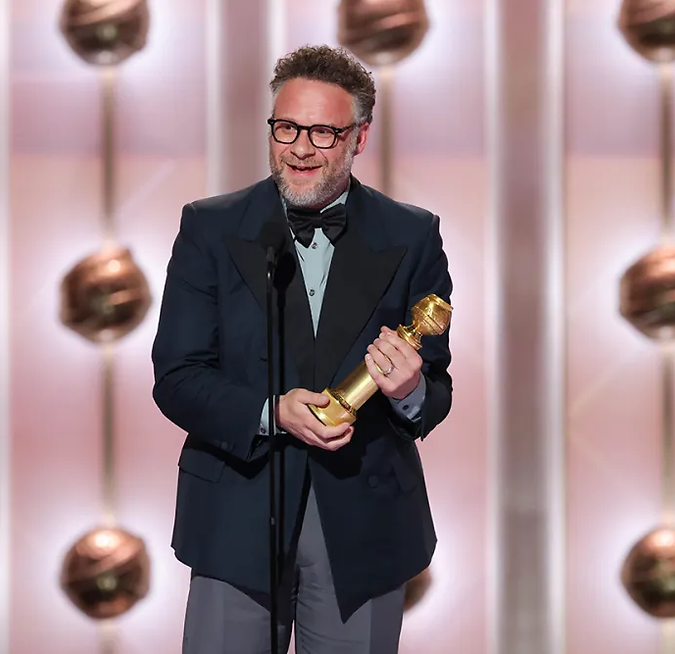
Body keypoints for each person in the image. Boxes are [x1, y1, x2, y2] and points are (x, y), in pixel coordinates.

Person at [151, 44, 453, 654]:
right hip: (237, 512)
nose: (299, 148)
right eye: (286, 128)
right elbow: (177, 377)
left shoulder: (412, 233)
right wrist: (271, 412)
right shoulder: (210, 227)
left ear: (359, 137)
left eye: (322, 132)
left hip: (364, 520)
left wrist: (409, 390)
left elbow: (437, 388)